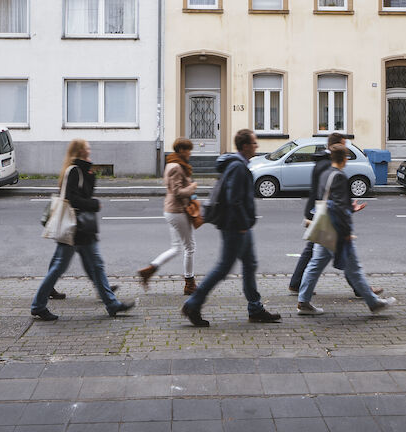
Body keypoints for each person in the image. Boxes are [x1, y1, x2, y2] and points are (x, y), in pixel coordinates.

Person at [181, 129, 281, 327]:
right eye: (254, 143)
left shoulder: (239, 165)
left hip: (242, 226)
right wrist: (242, 224)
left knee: (250, 265)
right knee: (223, 268)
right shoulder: (237, 167)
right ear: (245, 146)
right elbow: (233, 199)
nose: (257, 146)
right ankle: (193, 304)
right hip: (236, 227)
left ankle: (256, 308)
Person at [31, 139, 136, 321]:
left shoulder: (82, 170)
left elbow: (84, 191)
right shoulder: (74, 171)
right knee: (60, 267)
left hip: (82, 229)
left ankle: (111, 304)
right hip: (75, 229)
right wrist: (94, 204)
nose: (90, 150)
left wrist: (89, 172)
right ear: (80, 151)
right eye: (87, 148)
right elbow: (73, 199)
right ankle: (38, 305)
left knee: (96, 265)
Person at [296, 144, 397, 316]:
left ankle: (303, 302)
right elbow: (339, 207)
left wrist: (348, 209)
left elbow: (326, 201)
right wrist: (346, 233)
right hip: (337, 231)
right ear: (344, 159)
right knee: (354, 268)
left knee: (315, 265)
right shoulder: (339, 176)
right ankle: (374, 303)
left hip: (324, 226)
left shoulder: (324, 174)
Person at [289, 132, 384, 299]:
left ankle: (297, 286)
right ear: (336, 147)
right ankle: (362, 290)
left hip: (318, 212)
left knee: (314, 255)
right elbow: (331, 195)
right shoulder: (329, 167)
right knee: (342, 255)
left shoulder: (321, 163)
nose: (346, 150)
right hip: (325, 214)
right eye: (343, 146)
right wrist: (347, 211)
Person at [137, 137, 199, 295]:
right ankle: (189, 283)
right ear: (181, 151)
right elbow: (177, 192)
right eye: (188, 150)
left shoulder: (174, 164)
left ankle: (149, 270)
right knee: (190, 247)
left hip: (173, 211)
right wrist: (192, 188)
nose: (190, 153)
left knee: (176, 248)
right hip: (177, 211)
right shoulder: (176, 167)